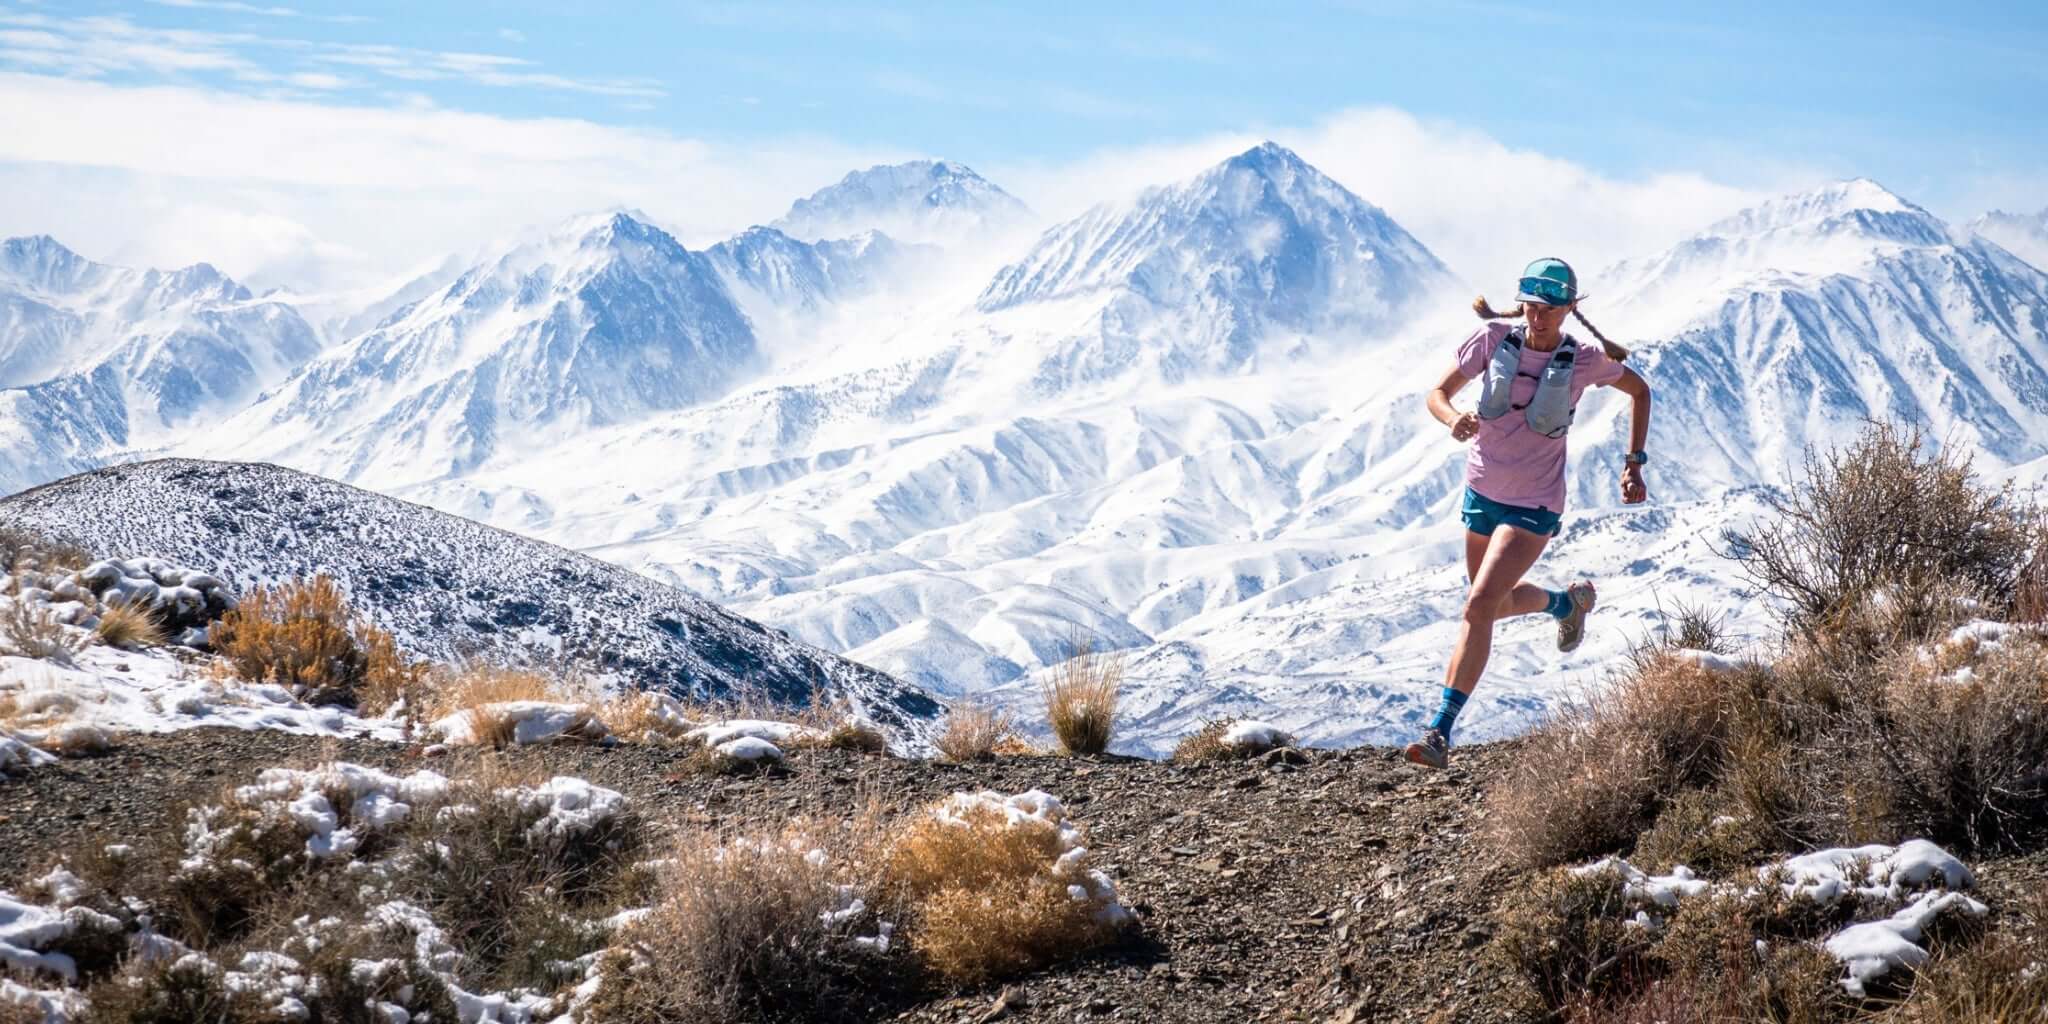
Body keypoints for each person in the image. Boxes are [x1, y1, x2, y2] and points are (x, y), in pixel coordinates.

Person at [1404, 257, 1652, 769]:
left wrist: (1633, 464)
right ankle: (1564, 605)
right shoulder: (1492, 340)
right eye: (1532, 307)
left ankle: (1439, 732)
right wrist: (1451, 419)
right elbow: (1438, 393)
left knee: (1477, 606)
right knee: (1491, 606)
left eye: (1550, 309)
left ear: (1569, 309)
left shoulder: (1583, 360)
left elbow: (1639, 390)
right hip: (1481, 492)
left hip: (1534, 502)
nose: (1538, 318)